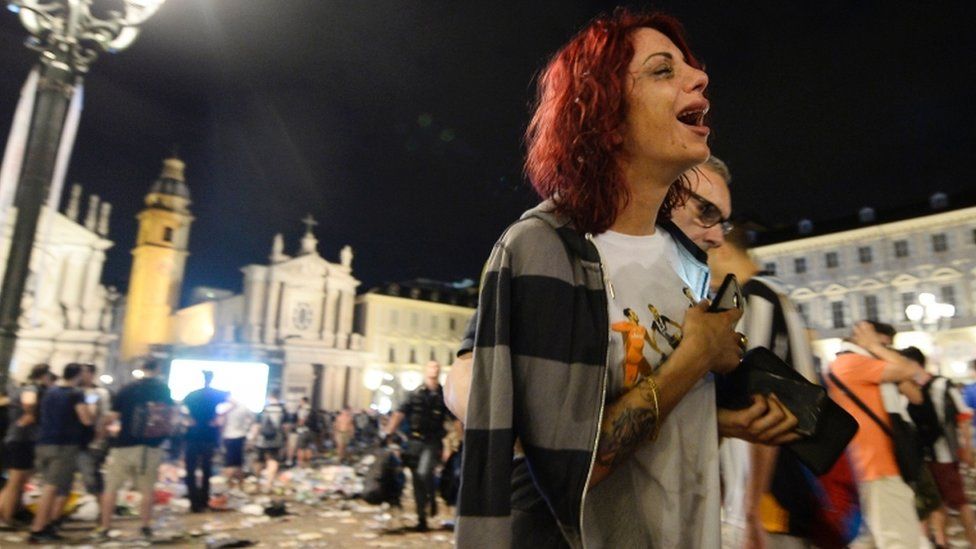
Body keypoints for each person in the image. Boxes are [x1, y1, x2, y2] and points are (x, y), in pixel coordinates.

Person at [455, 10, 799, 548]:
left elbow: (650, 425)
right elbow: (572, 470)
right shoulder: (545, 248)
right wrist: (695, 358)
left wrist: (721, 414)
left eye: (691, 66)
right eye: (664, 71)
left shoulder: (686, 262)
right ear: (605, 116)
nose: (699, 77)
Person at [709, 225, 862, 548]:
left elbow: (765, 403)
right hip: (796, 479)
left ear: (722, 249)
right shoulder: (779, 294)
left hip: (773, 490)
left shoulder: (751, 299)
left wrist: (751, 507)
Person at [827, 321, 930, 549]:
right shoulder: (851, 363)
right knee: (899, 541)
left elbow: (917, 391)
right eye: (884, 343)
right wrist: (876, 347)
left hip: (871, 466)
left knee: (874, 539)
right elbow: (911, 370)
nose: (888, 349)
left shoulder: (855, 364)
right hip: (877, 467)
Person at [901, 347, 976, 548]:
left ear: (914, 364)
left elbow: (963, 417)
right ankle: (942, 542)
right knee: (935, 503)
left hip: (944, 455)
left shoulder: (942, 384)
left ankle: (972, 541)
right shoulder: (906, 388)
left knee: (958, 501)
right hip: (922, 457)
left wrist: (966, 448)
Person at [95, 358, 174, 541]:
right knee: (147, 490)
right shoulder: (163, 389)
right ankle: (145, 526)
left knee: (111, 488)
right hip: (151, 447)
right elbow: (169, 415)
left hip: (124, 445)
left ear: (141, 368)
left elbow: (113, 416)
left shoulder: (127, 389)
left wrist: (101, 432)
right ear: (158, 368)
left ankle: (105, 527)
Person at [28, 363, 94, 543]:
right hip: (63, 445)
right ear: (78, 375)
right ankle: (38, 528)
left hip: (43, 443)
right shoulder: (76, 393)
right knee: (52, 488)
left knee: (47, 486)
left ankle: (45, 525)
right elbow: (85, 418)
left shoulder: (50, 391)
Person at [384, 361, 451, 532]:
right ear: (425, 370)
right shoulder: (414, 393)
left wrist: (458, 439)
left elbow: (453, 418)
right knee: (416, 481)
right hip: (414, 441)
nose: (433, 369)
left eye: (436, 367)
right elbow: (400, 412)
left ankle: (431, 498)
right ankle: (422, 518)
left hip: (433, 441)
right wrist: (388, 433)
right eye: (430, 367)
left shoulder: (444, 395)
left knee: (423, 472)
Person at [0, 364, 55, 529]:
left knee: (16, 481)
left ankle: (8, 515)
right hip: (21, 440)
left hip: (18, 440)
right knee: (15, 481)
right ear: (44, 375)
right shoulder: (31, 388)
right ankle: (5, 518)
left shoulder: (21, 388)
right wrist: (29, 415)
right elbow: (29, 402)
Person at [182, 370, 228, 512]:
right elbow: (232, 401)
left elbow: (183, 411)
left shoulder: (192, 395)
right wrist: (218, 417)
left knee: (190, 469)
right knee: (207, 469)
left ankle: (193, 501)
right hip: (209, 434)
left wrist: (190, 420)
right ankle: (203, 500)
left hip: (193, 434)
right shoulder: (216, 394)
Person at [78, 363, 111, 500]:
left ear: (91, 374)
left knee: (90, 474)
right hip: (74, 440)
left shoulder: (97, 393)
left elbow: (102, 416)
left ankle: (100, 504)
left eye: (84, 372)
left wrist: (99, 437)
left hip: (92, 441)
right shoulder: (75, 391)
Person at [253, 389, 286, 492]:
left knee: (259, 461)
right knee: (273, 461)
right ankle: (268, 485)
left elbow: (257, 426)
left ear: (269, 397)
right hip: (276, 439)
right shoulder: (283, 410)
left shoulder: (264, 409)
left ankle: (257, 484)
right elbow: (286, 427)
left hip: (262, 440)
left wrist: (254, 438)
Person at [221, 396, 253, 489]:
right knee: (239, 463)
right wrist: (246, 429)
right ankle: (240, 485)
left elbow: (222, 423)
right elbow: (251, 419)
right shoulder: (243, 407)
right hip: (240, 436)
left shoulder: (226, 408)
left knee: (229, 463)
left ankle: (228, 486)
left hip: (228, 436)